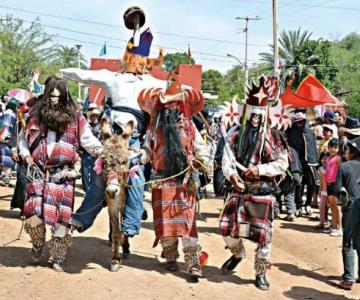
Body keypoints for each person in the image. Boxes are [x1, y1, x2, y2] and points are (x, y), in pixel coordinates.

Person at [61, 6, 167, 257]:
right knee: (100, 178)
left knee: (137, 180)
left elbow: (173, 87)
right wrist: (64, 74)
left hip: (135, 140)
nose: (137, 62)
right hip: (110, 138)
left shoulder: (151, 82)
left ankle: (129, 226)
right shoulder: (113, 78)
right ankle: (82, 219)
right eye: (134, 55)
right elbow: (85, 75)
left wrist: (184, 89)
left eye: (141, 58)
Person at [18, 76, 103, 271]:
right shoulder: (35, 116)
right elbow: (23, 139)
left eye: (58, 97)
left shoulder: (76, 118)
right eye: (51, 97)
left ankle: (57, 257)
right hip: (38, 174)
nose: (54, 101)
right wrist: (26, 155)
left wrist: (102, 152)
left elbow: (88, 140)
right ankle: (38, 244)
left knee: (61, 221)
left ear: (65, 97)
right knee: (33, 215)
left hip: (63, 176)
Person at [219, 75, 289, 290]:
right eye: (253, 114)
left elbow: (282, 164)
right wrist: (233, 176)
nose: (256, 118)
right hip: (239, 190)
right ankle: (238, 253)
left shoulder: (274, 136)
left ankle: (260, 273)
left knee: (263, 237)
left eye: (260, 114)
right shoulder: (235, 134)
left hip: (263, 192)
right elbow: (227, 159)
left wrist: (259, 169)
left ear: (266, 113)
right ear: (246, 112)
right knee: (226, 229)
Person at [139, 77, 210, 278]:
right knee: (165, 223)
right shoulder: (154, 127)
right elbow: (147, 150)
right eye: (167, 104)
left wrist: (201, 161)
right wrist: (137, 159)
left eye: (175, 104)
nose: (171, 108)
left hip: (185, 182)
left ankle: (193, 262)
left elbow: (201, 149)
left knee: (188, 223)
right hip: (162, 181)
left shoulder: (189, 126)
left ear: (181, 105)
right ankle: (170, 256)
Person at [335, 137, 360, 290]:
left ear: (353, 151)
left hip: (351, 207)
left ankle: (348, 278)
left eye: (347, 149)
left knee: (348, 240)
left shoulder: (344, 167)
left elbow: (337, 190)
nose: (345, 151)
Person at [286, 112, 319, 217]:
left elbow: (312, 148)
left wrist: (314, 162)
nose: (300, 123)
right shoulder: (291, 132)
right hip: (297, 160)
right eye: (298, 122)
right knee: (298, 184)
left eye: (302, 121)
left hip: (309, 162)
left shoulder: (309, 132)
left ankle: (308, 203)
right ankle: (298, 204)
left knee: (310, 183)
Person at [323, 138, 342, 237]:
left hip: (336, 183)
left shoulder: (338, 158)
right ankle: (334, 226)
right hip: (329, 183)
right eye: (331, 147)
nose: (333, 149)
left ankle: (340, 228)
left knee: (337, 207)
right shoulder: (328, 158)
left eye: (335, 147)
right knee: (332, 206)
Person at [316, 152, 329, 229]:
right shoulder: (320, 169)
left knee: (331, 207)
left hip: (330, 192)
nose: (324, 160)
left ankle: (330, 222)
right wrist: (320, 191)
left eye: (326, 158)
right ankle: (322, 222)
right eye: (322, 158)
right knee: (321, 207)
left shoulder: (331, 168)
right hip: (323, 191)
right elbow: (321, 181)